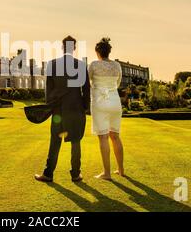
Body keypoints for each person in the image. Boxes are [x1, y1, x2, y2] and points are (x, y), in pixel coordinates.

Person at [35, 36, 90, 183]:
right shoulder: (80, 65)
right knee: (76, 141)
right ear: (74, 48)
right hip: (75, 109)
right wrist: (85, 108)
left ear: (62, 47)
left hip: (58, 110)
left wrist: (49, 106)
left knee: (55, 141)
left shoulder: (52, 64)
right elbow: (86, 89)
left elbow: (49, 90)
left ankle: (48, 174)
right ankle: (76, 175)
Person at [89, 37, 124, 180]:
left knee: (103, 137)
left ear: (97, 52)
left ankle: (107, 173)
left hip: (99, 102)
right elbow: (118, 83)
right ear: (109, 51)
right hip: (115, 102)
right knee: (115, 136)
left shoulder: (93, 65)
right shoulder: (117, 65)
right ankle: (121, 170)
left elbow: (89, 82)